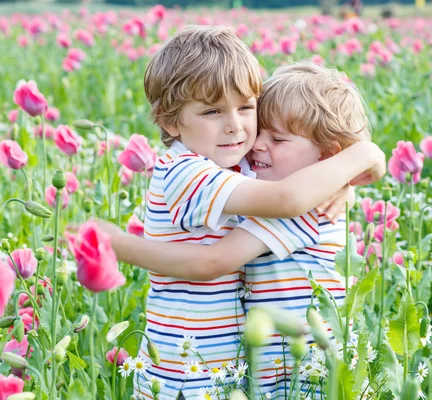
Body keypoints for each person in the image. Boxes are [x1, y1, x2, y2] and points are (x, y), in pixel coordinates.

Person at [122, 25, 385, 399]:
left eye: (248, 109)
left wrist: (347, 177)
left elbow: (293, 195)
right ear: (169, 120)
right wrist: (362, 158)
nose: (245, 135)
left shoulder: (254, 179)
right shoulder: (192, 171)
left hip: (290, 373)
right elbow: (283, 200)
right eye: (213, 110)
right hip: (187, 373)